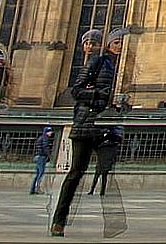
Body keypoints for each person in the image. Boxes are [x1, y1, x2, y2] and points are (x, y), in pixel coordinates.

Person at [50, 28, 120, 235]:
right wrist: (101, 95)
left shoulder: (117, 67)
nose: (121, 46)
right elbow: (76, 90)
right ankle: (59, 219)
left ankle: (113, 224)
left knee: (109, 172)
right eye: (117, 42)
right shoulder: (97, 63)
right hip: (87, 124)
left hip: (104, 127)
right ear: (109, 44)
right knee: (76, 173)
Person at [32, 124, 55, 194]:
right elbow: (45, 147)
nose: (51, 133)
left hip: (38, 156)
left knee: (37, 173)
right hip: (42, 157)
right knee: (40, 173)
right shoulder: (45, 138)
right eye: (50, 131)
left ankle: (33, 189)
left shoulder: (40, 138)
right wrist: (49, 156)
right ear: (47, 132)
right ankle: (37, 188)